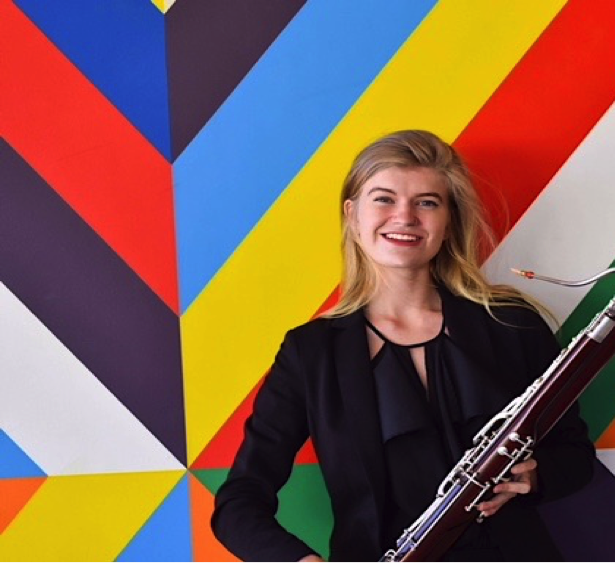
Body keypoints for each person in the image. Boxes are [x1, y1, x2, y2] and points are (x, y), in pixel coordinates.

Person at [211, 130, 595, 562]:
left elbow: (576, 457)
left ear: (449, 220)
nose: (405, 216)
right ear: (352, 215)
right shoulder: (311, 353)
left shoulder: (511, 324)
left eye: (427, 202)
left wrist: (536, 477)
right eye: (384, 199)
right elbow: (238, 504)